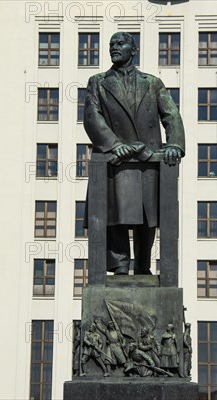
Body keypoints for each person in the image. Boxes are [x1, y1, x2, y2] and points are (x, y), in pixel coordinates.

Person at [84, 32, 185, 275]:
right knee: (115, 214)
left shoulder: (152, 82)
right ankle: (119, 266)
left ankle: (143, 265)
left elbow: (171, 115)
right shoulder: (98, 81)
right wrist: (114, 144)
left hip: (147, 160)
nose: (114, 47)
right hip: (116, 159)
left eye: (121, 43)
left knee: (147, 216)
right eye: (111, 44)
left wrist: (175, 145)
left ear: (133, 49)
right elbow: (92, 117)